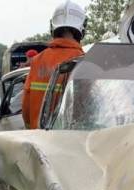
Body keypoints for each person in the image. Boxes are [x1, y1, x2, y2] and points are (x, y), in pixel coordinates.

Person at [22, 1, 86, 129]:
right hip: (69, 142)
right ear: (82, 28)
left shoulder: (37, 61)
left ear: (53, 27)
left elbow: (26, 106)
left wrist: (31, 129)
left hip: (39, 140)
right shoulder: (85, 63)